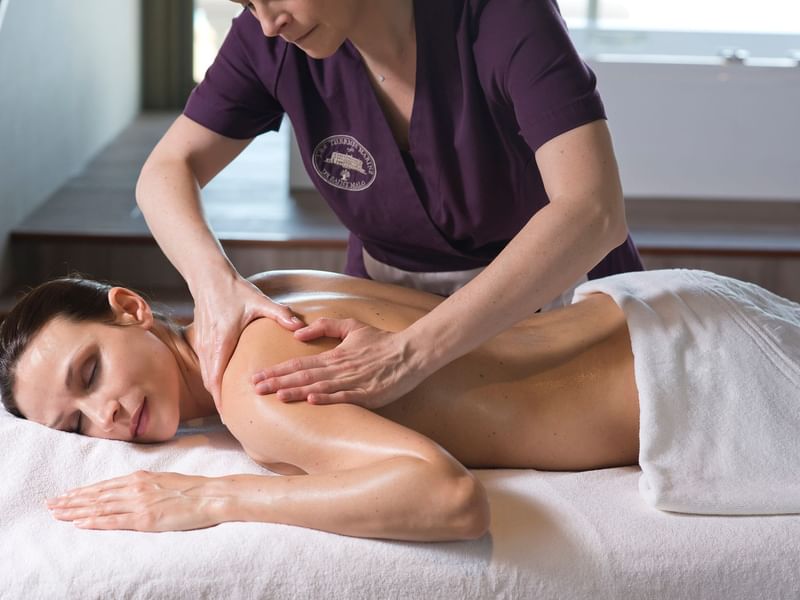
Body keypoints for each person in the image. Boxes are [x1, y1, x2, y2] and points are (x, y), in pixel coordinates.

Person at [135, 0, 645, 415]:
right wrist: (215, 286)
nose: (268, 20)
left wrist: (411, 354)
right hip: (388, 299)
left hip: (556, 296)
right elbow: (165, 171)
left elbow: (592, 210)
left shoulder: (503, 14)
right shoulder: (266, 41)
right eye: (246, 2)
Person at [1, 268, 643, 540]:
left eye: (90, 372)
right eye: (76, 424)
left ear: (132, 309)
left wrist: (204, 497)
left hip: (679, 379)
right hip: (649, 310)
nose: (104, 415)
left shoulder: (251, 386)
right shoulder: (267, 289)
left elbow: (449, 498)